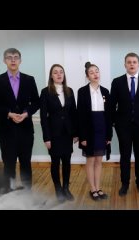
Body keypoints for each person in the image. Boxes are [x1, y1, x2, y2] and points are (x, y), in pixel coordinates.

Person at [0, 48, 39, 192]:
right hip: (6, 131)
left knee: (26, 164)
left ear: (20, 60)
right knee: (8, 165)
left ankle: (27, 195)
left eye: (16, 57)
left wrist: (26, 113)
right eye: (9, 57)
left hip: (26, 130)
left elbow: (36, 102)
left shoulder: (29, 79)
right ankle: (10, 196)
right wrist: (8, 114)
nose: (13, 60)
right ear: (4, 61)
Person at [110, 52, 139, 196]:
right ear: (125, 65)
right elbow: (112, 105)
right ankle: (125, 184)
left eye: (134, 62)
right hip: (123, 126)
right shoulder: (117, 82)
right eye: (129, 62)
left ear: (138, 64)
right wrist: (115, 122)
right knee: (125, 155)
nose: (131, 64)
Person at [40, 64, 78, 203]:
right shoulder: (45, 92)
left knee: (67, 161)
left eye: (61, 72)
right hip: (53, 134)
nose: (59, 74)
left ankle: (66, 188)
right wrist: (46, 137)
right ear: (51, 76)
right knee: (55, 162)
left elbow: (74, 113)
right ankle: (58, 189)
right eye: (55, 72)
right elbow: (44, 117)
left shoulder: (69, 91)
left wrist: (76, 133)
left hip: (67, 133)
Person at [77, 62, 112, 201]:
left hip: (102, 129)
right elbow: (80, 116)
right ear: (87, 76)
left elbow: (109, 115)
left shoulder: (105, 91)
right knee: (90, 160)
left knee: (99, 160)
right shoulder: (82, 91)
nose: (95, 74)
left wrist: (108, 134)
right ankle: (92, 189)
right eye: (91, 72)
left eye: (97, 71)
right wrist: (82, 136)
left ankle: (98, 187)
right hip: (89, 130)